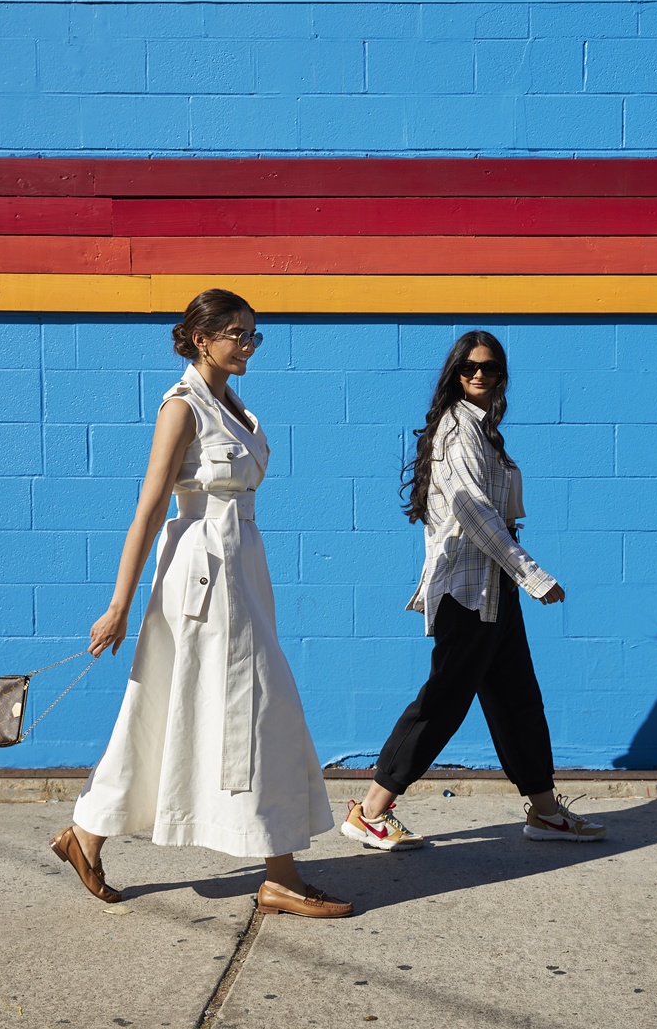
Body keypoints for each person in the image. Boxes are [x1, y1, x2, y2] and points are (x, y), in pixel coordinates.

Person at [50, 289, 351, 919]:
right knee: (254, 709)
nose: (247, 346)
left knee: (168, 709)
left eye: (253, 336)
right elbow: (150, 508)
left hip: (241, 574)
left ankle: (87, 834)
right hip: (201, 583)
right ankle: (280, 874)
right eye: (237, 334)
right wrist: (118, 605)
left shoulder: (234, 406)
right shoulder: (181, 408)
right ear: (200, 337)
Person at [342, 330, 606, 851]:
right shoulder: (457, 429)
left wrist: (513, 577)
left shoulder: (484, 432)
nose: (479, 374)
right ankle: (370, 811)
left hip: (492, 589)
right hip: (467, 592)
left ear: (502, 375)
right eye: (469, 367)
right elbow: (472, 510)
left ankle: (546, 811)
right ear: (455, 373)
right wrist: (531, 573)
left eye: (489, 367)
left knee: (517, 700)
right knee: (444, 700)